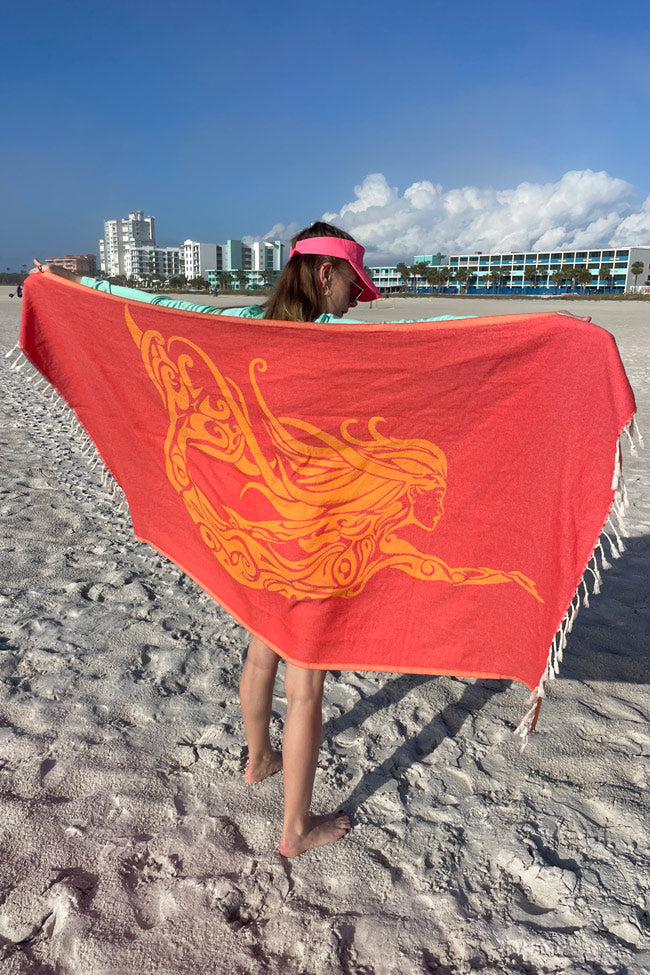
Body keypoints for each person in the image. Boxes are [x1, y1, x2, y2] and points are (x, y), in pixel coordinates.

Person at [33, 222, 461, 856]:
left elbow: (150, 307)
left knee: (262, 655)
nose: (354, 297)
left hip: (259, 536)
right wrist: (551, 337)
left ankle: (258, 757)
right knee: (307, 686)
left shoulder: (245, 326)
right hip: (316, 542)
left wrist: (70, 283)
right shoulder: (347, 340)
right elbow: (440, 353)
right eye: (351, 282)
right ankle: (295, 828)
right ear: (325, 275)